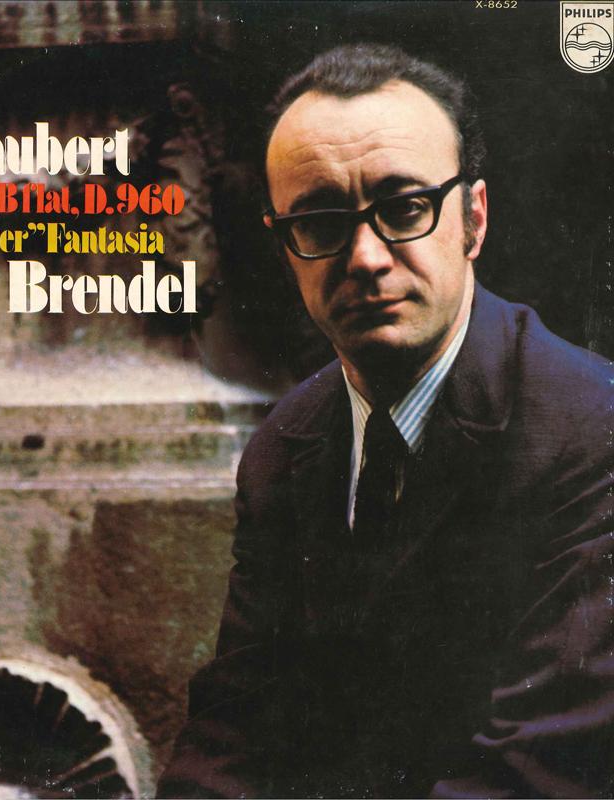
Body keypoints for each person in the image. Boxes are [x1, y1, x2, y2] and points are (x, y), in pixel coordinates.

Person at [157, 43, 614, 799]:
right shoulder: (284, 447)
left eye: (404, 209)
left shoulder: (591, 429)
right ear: (286, 249)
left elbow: (538, 774)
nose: (366, 258)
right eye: (321, 222)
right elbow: (232, 734)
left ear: (472, 219)